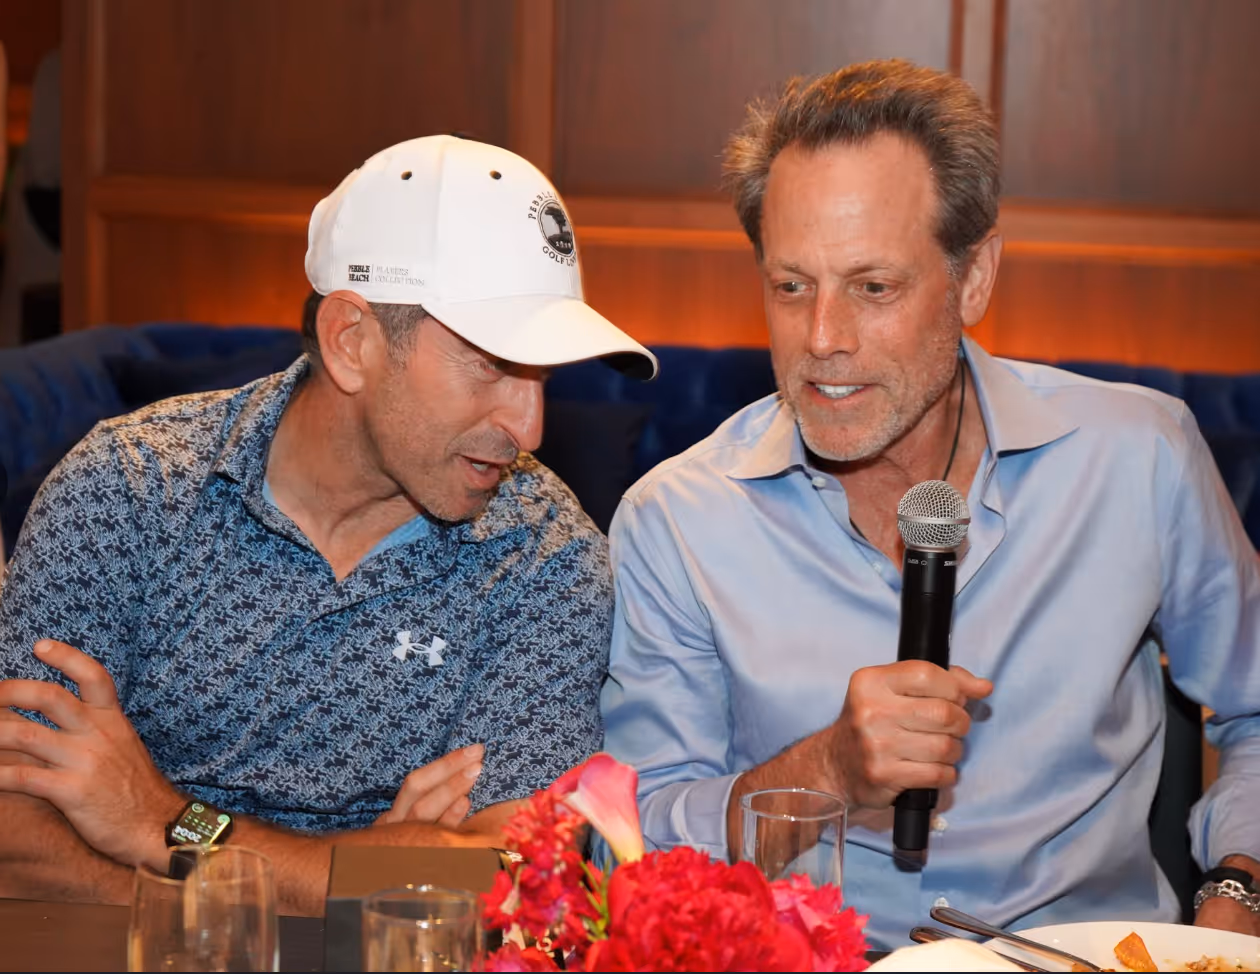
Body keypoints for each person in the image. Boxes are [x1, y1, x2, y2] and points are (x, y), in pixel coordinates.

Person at [601, 60, 1260, 947]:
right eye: (791, 286)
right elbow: (633, 850)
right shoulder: (677, 520)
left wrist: (1238, 894)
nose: (823, 339)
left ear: (974, 277)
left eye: (873, 287)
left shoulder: (1138, 459)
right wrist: (825, 770)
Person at [0, 135, 657, 914]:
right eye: (493, 365)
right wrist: (360, 871)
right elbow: (14, 834)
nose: (530, 425)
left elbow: (513, 880)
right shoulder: (128, 491)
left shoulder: (545, 557)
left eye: (543, 376)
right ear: (351, 342)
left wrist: (161, 821)